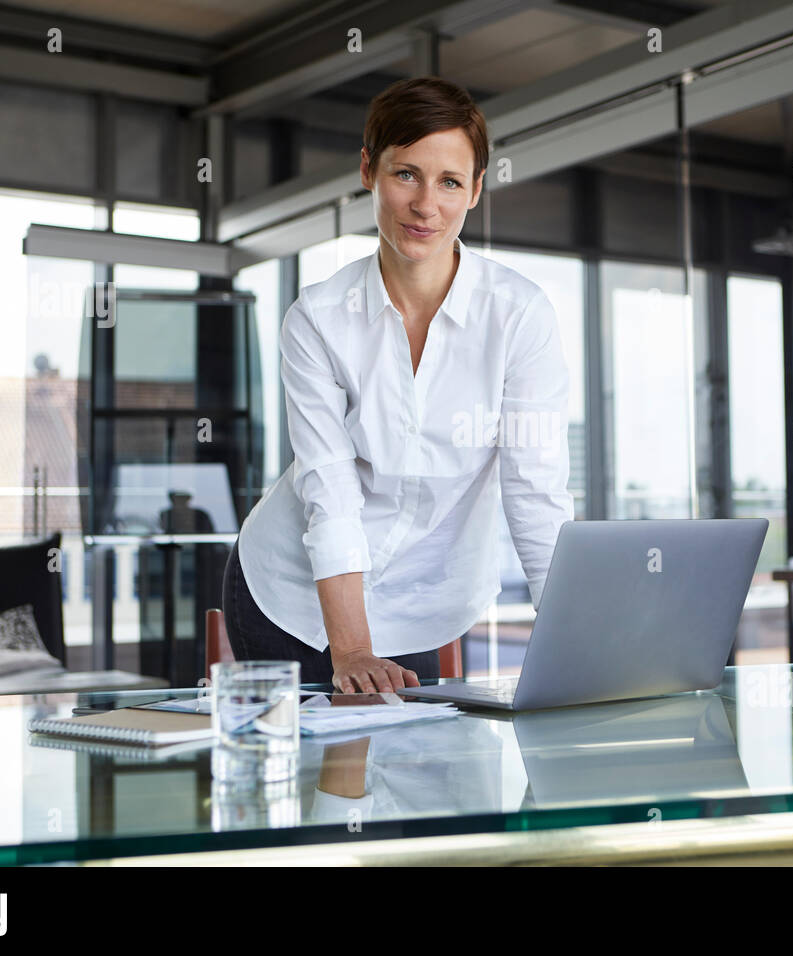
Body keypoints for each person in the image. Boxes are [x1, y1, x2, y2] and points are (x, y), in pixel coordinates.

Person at [223, 75, 574, 693]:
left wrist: (578, 646)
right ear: (368, 170)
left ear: (475, 191)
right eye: (406, 173)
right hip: (293, 594)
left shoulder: (519, 316)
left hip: (421, 605)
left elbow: (536, 493)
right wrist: (352, 649)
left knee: (423, 783)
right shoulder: (318, 318)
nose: (425, 205)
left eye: (450, 182)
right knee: (321, 782)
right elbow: (328, 488)